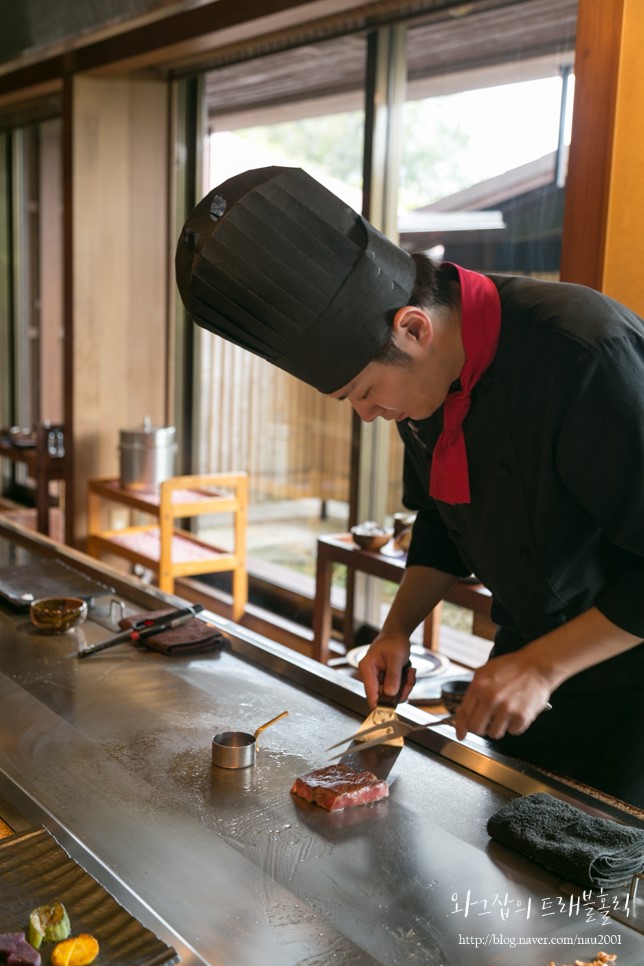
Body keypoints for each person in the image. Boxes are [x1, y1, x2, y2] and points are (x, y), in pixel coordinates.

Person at [176, 165, 644, 807]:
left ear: (413, 329)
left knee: (608, 885)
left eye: (365, 393)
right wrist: (395, 630)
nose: (367, 414)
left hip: (628, 676)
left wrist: (543, 666)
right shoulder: (426, 387)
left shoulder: (584, 353)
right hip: (526, 664)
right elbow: (440, 522)